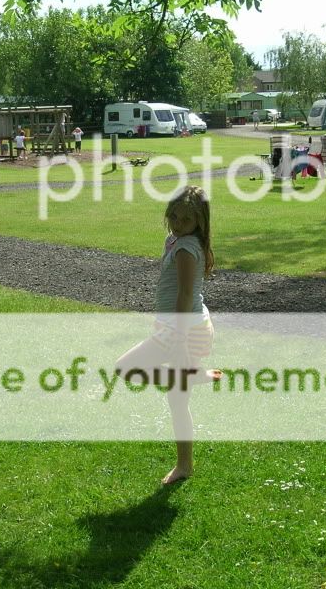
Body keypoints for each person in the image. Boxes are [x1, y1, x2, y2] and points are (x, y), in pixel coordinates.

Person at [115, 186, 221, 485]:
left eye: (185, 219)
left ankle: (184, 466)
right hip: (180, 327)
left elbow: (186, 294)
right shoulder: (176, 241)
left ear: (199, 221)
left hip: (184, 330)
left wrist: (178, 336)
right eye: (173, 215)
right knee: (167, 392)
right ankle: (191, 376)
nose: (177, 222)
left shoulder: (187, 248)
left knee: (128, 370)